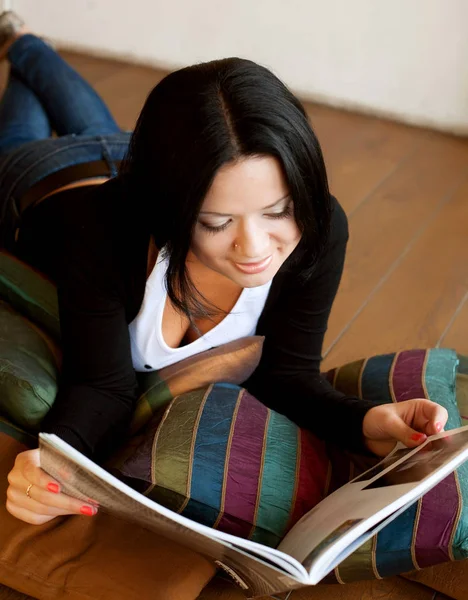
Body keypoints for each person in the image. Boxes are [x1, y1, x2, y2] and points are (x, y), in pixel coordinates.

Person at [1, 12, 447, 526]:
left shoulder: (319, 228)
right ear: (172, 211)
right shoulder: (103, 235)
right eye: (216, 223)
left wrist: (367, 419)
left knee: (97, 123)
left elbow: (288, 374)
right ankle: (23, 45)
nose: (254, 247)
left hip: (136, 157)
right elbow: (102, 386)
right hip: (43, 179)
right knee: (18, 131)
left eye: (278, 211)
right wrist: (51, 464)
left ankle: (22, 42)